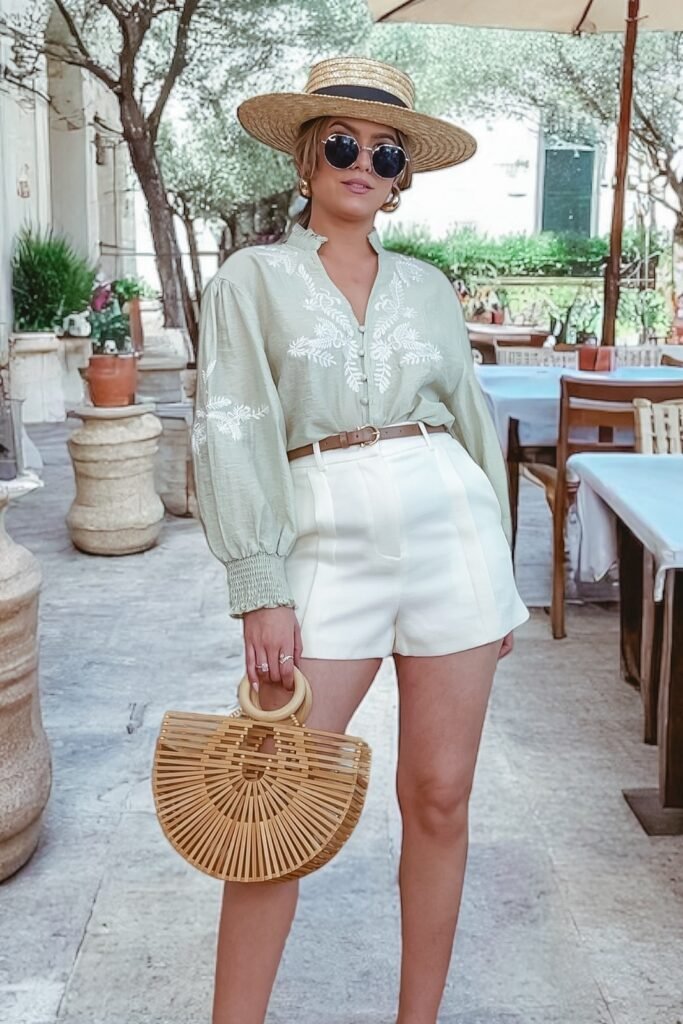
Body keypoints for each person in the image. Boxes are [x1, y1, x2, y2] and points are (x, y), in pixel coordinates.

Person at [192, 55, 529, 1024]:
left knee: (437, 795)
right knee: (274, 800)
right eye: (340, 143)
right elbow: (230, 422)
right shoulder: (250, 280)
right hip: (321, 521)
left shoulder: (429, 287)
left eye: (382, 153)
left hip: (447, 527)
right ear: (305, 160)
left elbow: (468, 421)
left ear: (399, 177)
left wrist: (496, 571)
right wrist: (259, 579)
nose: (361, 163)